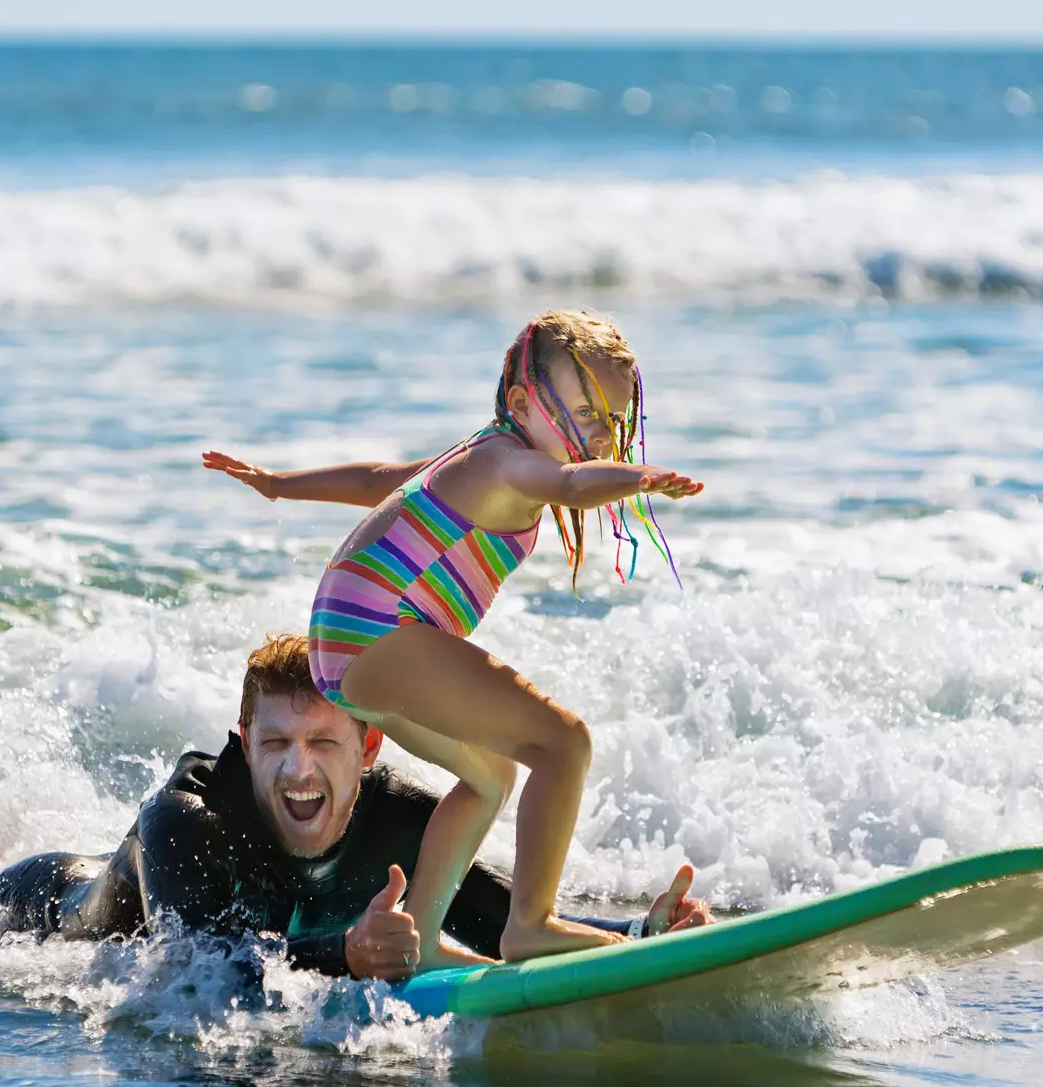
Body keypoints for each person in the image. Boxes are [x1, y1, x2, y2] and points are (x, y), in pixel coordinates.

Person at [201, 310, 702, 971]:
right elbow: (571, 485)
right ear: (523, 402)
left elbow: (375, 479)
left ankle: (425, 935)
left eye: (609, 421)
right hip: (379, 629)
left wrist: (279, 485)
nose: (596, 437)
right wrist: (639, 478)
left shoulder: (474, 455)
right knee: (565, 742)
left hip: (347, 646)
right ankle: (530, 926)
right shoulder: (512, 462)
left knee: (490, 776)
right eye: (582, 413)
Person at [0, 633, 711, 980]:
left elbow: (499, 919)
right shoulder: (186, 815)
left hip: (252, 922)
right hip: (53, 911)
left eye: (323, 743)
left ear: (368, 746)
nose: (297, 770)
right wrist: (347, 950)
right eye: (274, 744)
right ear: (244, 736)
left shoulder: (402, 819)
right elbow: (193, 962)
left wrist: (638, 936)